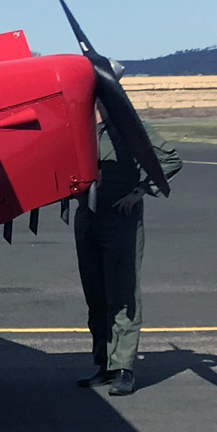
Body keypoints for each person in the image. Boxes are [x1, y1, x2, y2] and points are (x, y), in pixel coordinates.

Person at [74, 112, 182, 396]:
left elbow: (170, 160)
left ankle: (124, 369)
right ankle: (103, 364)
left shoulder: (133, 129)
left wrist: (140, 191)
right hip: (88, 218)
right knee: (96, 296)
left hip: (120, 218)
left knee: (123, 294)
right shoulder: (88, 130)